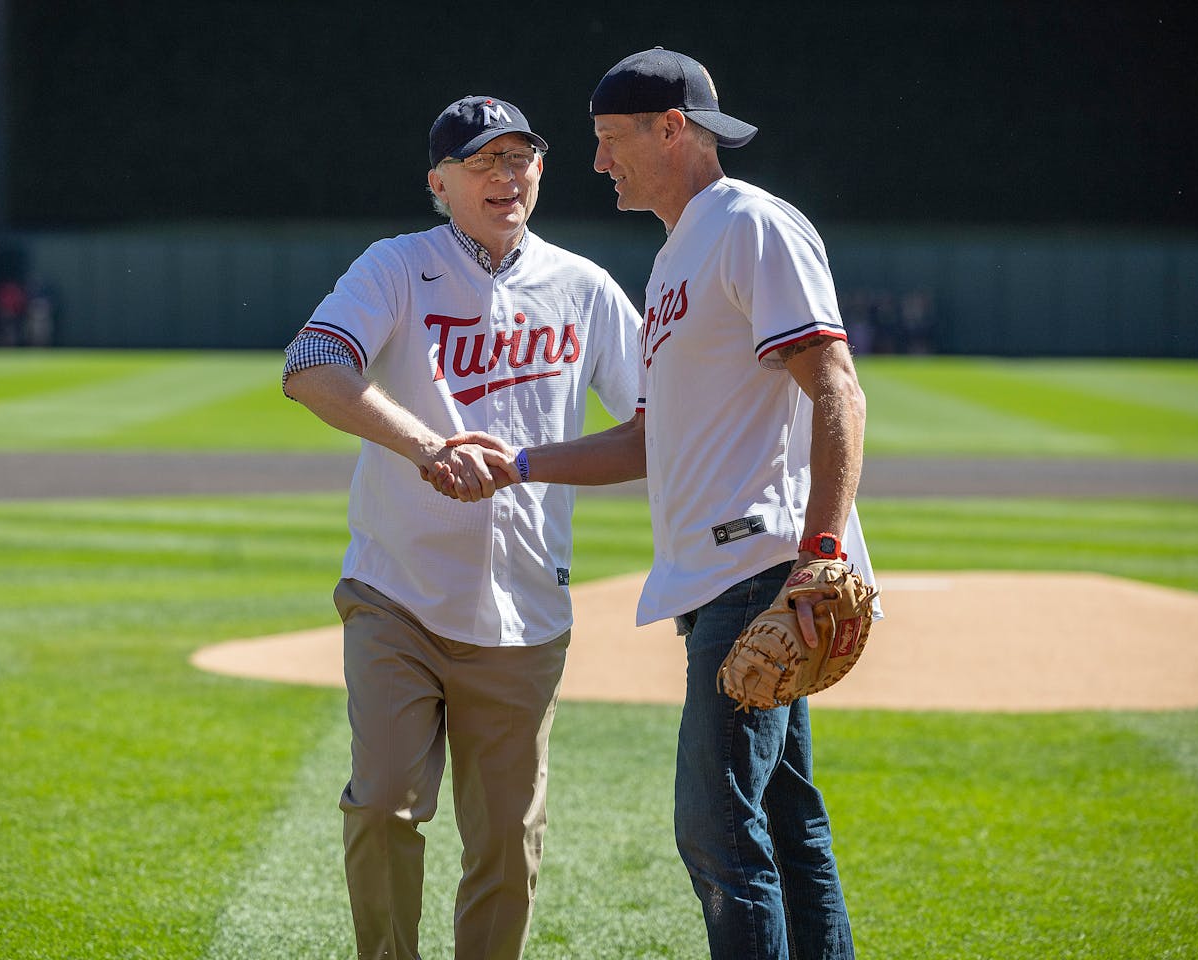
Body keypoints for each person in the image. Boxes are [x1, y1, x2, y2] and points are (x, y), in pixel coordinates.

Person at [432, 48, 880, 959]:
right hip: (720, 579)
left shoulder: (749, 223)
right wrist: (519, 462)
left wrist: (823, 550)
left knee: (715, 827)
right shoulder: (681, 253)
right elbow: (648, 441)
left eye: (608, 140)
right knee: (786, 823)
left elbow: (835, 384)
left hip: (758, 570)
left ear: (671, 129)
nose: (598, 164)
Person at [281, 94, 643, 960]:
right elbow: (311, 365)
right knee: (382, 805)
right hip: (396, 592)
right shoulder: (397, 267)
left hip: (525, 613)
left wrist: (526, 464)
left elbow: (655, 427)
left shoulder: (582, 287)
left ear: (542, 172)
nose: (505, 177)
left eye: (519, 159)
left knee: (508, 848)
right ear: (438, 182)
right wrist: (428, 448)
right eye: (482, 162)